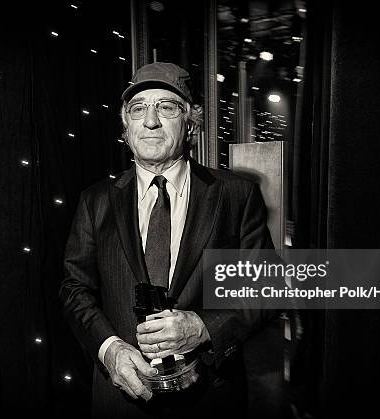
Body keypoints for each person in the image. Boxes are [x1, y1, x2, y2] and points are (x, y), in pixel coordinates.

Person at [59, 62, 276, 418]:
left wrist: (204, 327)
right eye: (138, 109)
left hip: (210, 399)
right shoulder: (94, 200)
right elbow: (73, 288)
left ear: (191, 124)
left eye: (166, 107)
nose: (151, 121)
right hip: (121, 402)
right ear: (126, 128)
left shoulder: (236, 195)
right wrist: (109, 348)